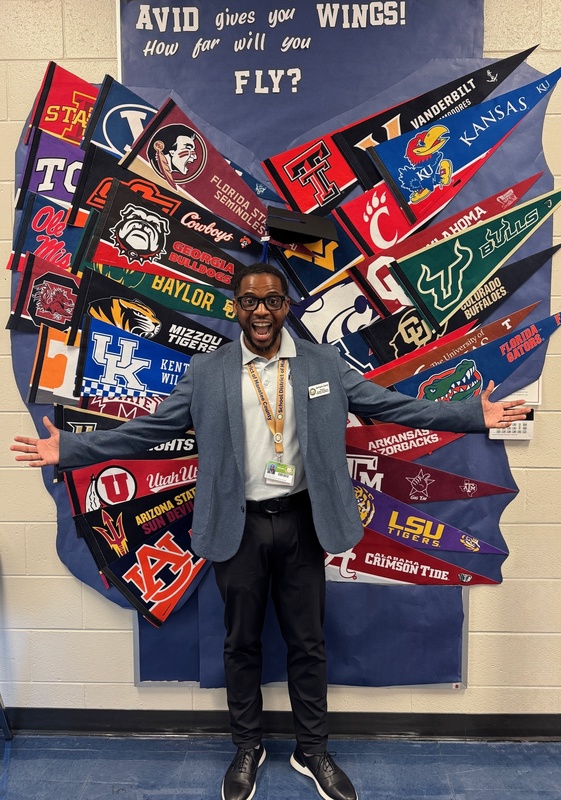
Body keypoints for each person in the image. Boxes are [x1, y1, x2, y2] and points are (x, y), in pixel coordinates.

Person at [12, 263, 530, 800]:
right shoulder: (207, 373)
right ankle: (247, 747)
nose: (261, 311)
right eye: (249, 301)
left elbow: (392, 406)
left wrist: (472, 416)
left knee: (309, 643)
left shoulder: (323, 363)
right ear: (235, 306)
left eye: (273, 301)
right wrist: (68, 449)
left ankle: (312, 750)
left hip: (304, 521)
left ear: (287, 307)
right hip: (238, 527)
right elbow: (148, 431)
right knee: (241, 643)